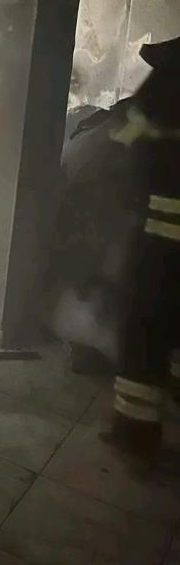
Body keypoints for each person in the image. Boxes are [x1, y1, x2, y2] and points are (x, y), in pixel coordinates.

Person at [106, 36, 180, 460]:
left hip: (160, 235)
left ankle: (136, 435)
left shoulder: (165, 83)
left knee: (145, 329)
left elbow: (127, 138)